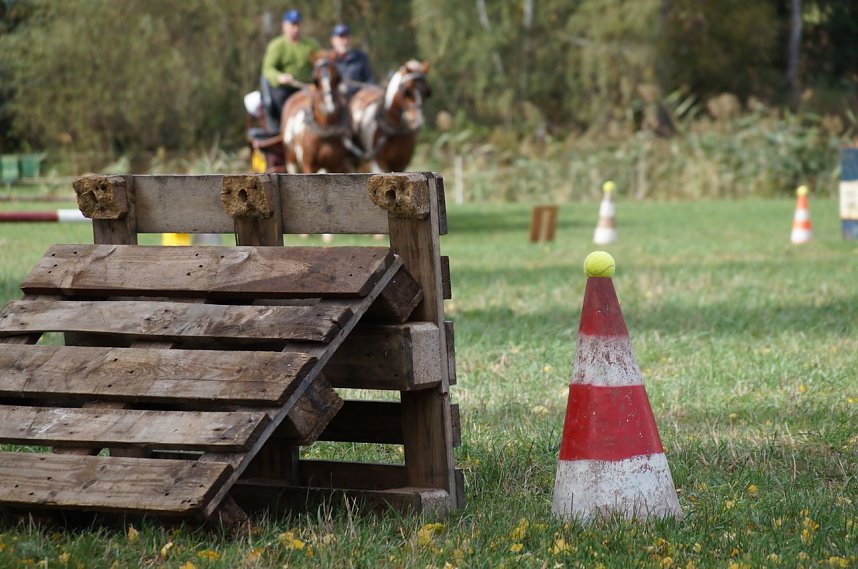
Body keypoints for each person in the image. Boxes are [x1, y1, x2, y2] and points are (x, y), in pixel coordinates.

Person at [261, 9, 320, 126]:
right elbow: (267, 69)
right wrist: (280, 77)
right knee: (280, 99)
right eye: (292, 25)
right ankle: (283, 128)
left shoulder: (311, 45)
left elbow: (320, 64)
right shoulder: (277, 45)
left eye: (298, 25)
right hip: (285, 88)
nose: (296, 29)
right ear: (284, 26)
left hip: (307, 87)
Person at [329, 23, 374, 99]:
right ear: (333, 40)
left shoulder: (361, 57)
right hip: (337, 102)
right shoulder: (328, 61)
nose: (345, 41)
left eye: (347, 37)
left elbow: (370, 81)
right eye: (341, 38)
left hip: (359, 100)